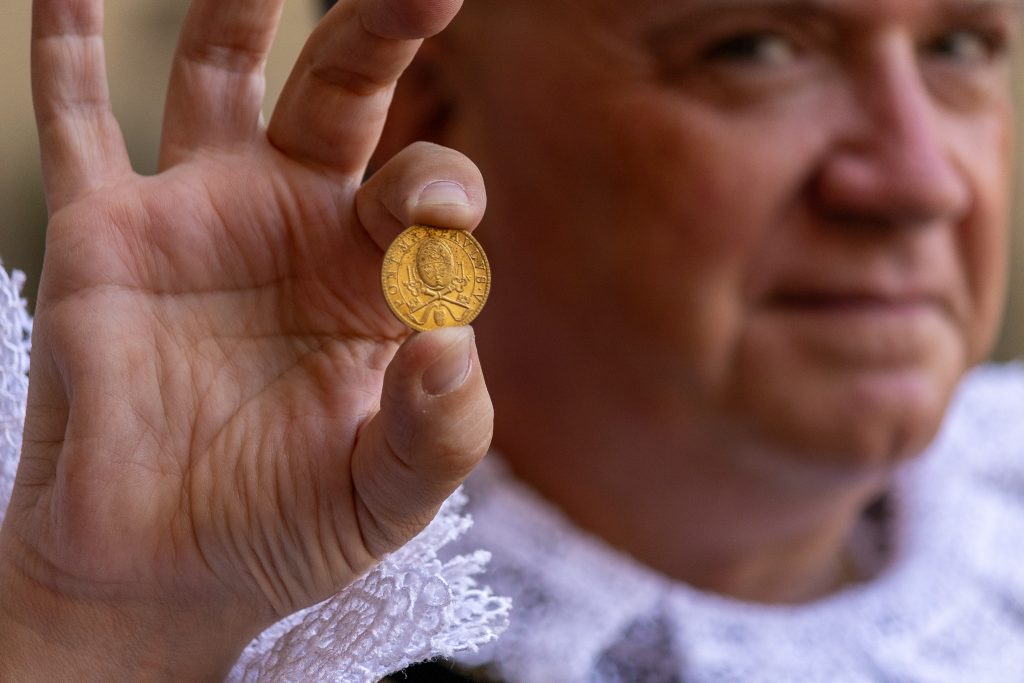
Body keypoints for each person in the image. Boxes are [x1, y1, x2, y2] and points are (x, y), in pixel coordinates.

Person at [2, 0, 1024, 680]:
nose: (919, 181)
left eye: (962, 47)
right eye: (752, 48)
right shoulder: (251, 614)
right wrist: (105, 634)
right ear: (428, 115)